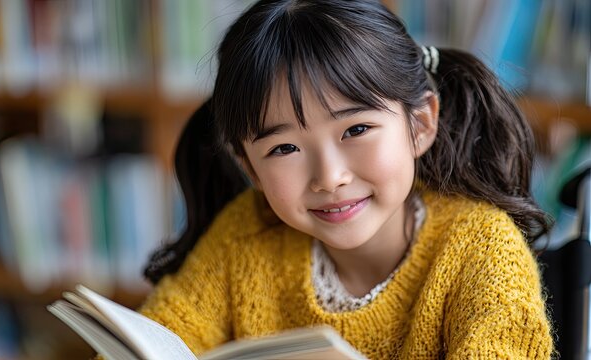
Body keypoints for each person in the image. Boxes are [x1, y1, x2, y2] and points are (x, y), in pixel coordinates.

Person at [141, 0, 554, 358]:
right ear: (250, 168)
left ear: (421, 124)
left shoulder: (482, 252)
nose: (330, 177)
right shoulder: (244, 236)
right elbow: (158, 337)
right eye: (283, 149)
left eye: (356, 130)